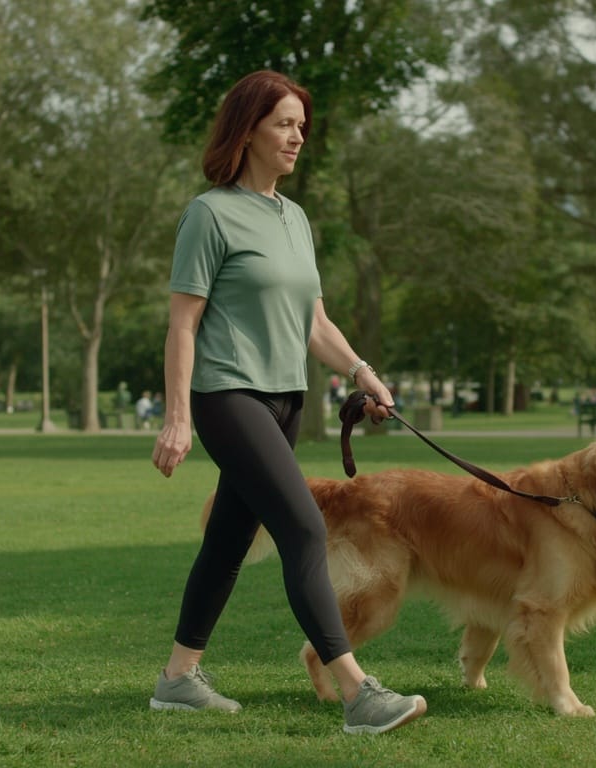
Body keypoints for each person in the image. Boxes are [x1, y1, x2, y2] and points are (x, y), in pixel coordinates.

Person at [149, 70, 426, 735]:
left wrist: (363, 371)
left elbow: (314, 322)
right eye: (284, 123)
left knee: (227, 541)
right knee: (304, 527)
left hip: (284, 398)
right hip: (227, 394)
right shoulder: (209, 214)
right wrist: (178, 416)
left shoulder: (294, 218)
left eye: (302, 124)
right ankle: (359, 694)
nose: (298, 136)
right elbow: (183, 322)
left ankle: (178, 679)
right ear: (248, 131)